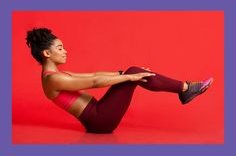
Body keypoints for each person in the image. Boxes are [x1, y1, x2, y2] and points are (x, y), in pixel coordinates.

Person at [26, 27, 213, 133]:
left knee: (133, 71)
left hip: (99, 115)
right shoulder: (52, 80)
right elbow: (94, 83)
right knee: (133, 72)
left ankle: (185, 89)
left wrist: (123, 73)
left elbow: (93, 75)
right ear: (46, 53)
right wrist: (130, 77)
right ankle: (185, 88)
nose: (65, 51)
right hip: (100, 120)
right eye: (60, 48)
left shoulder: (58, 75)